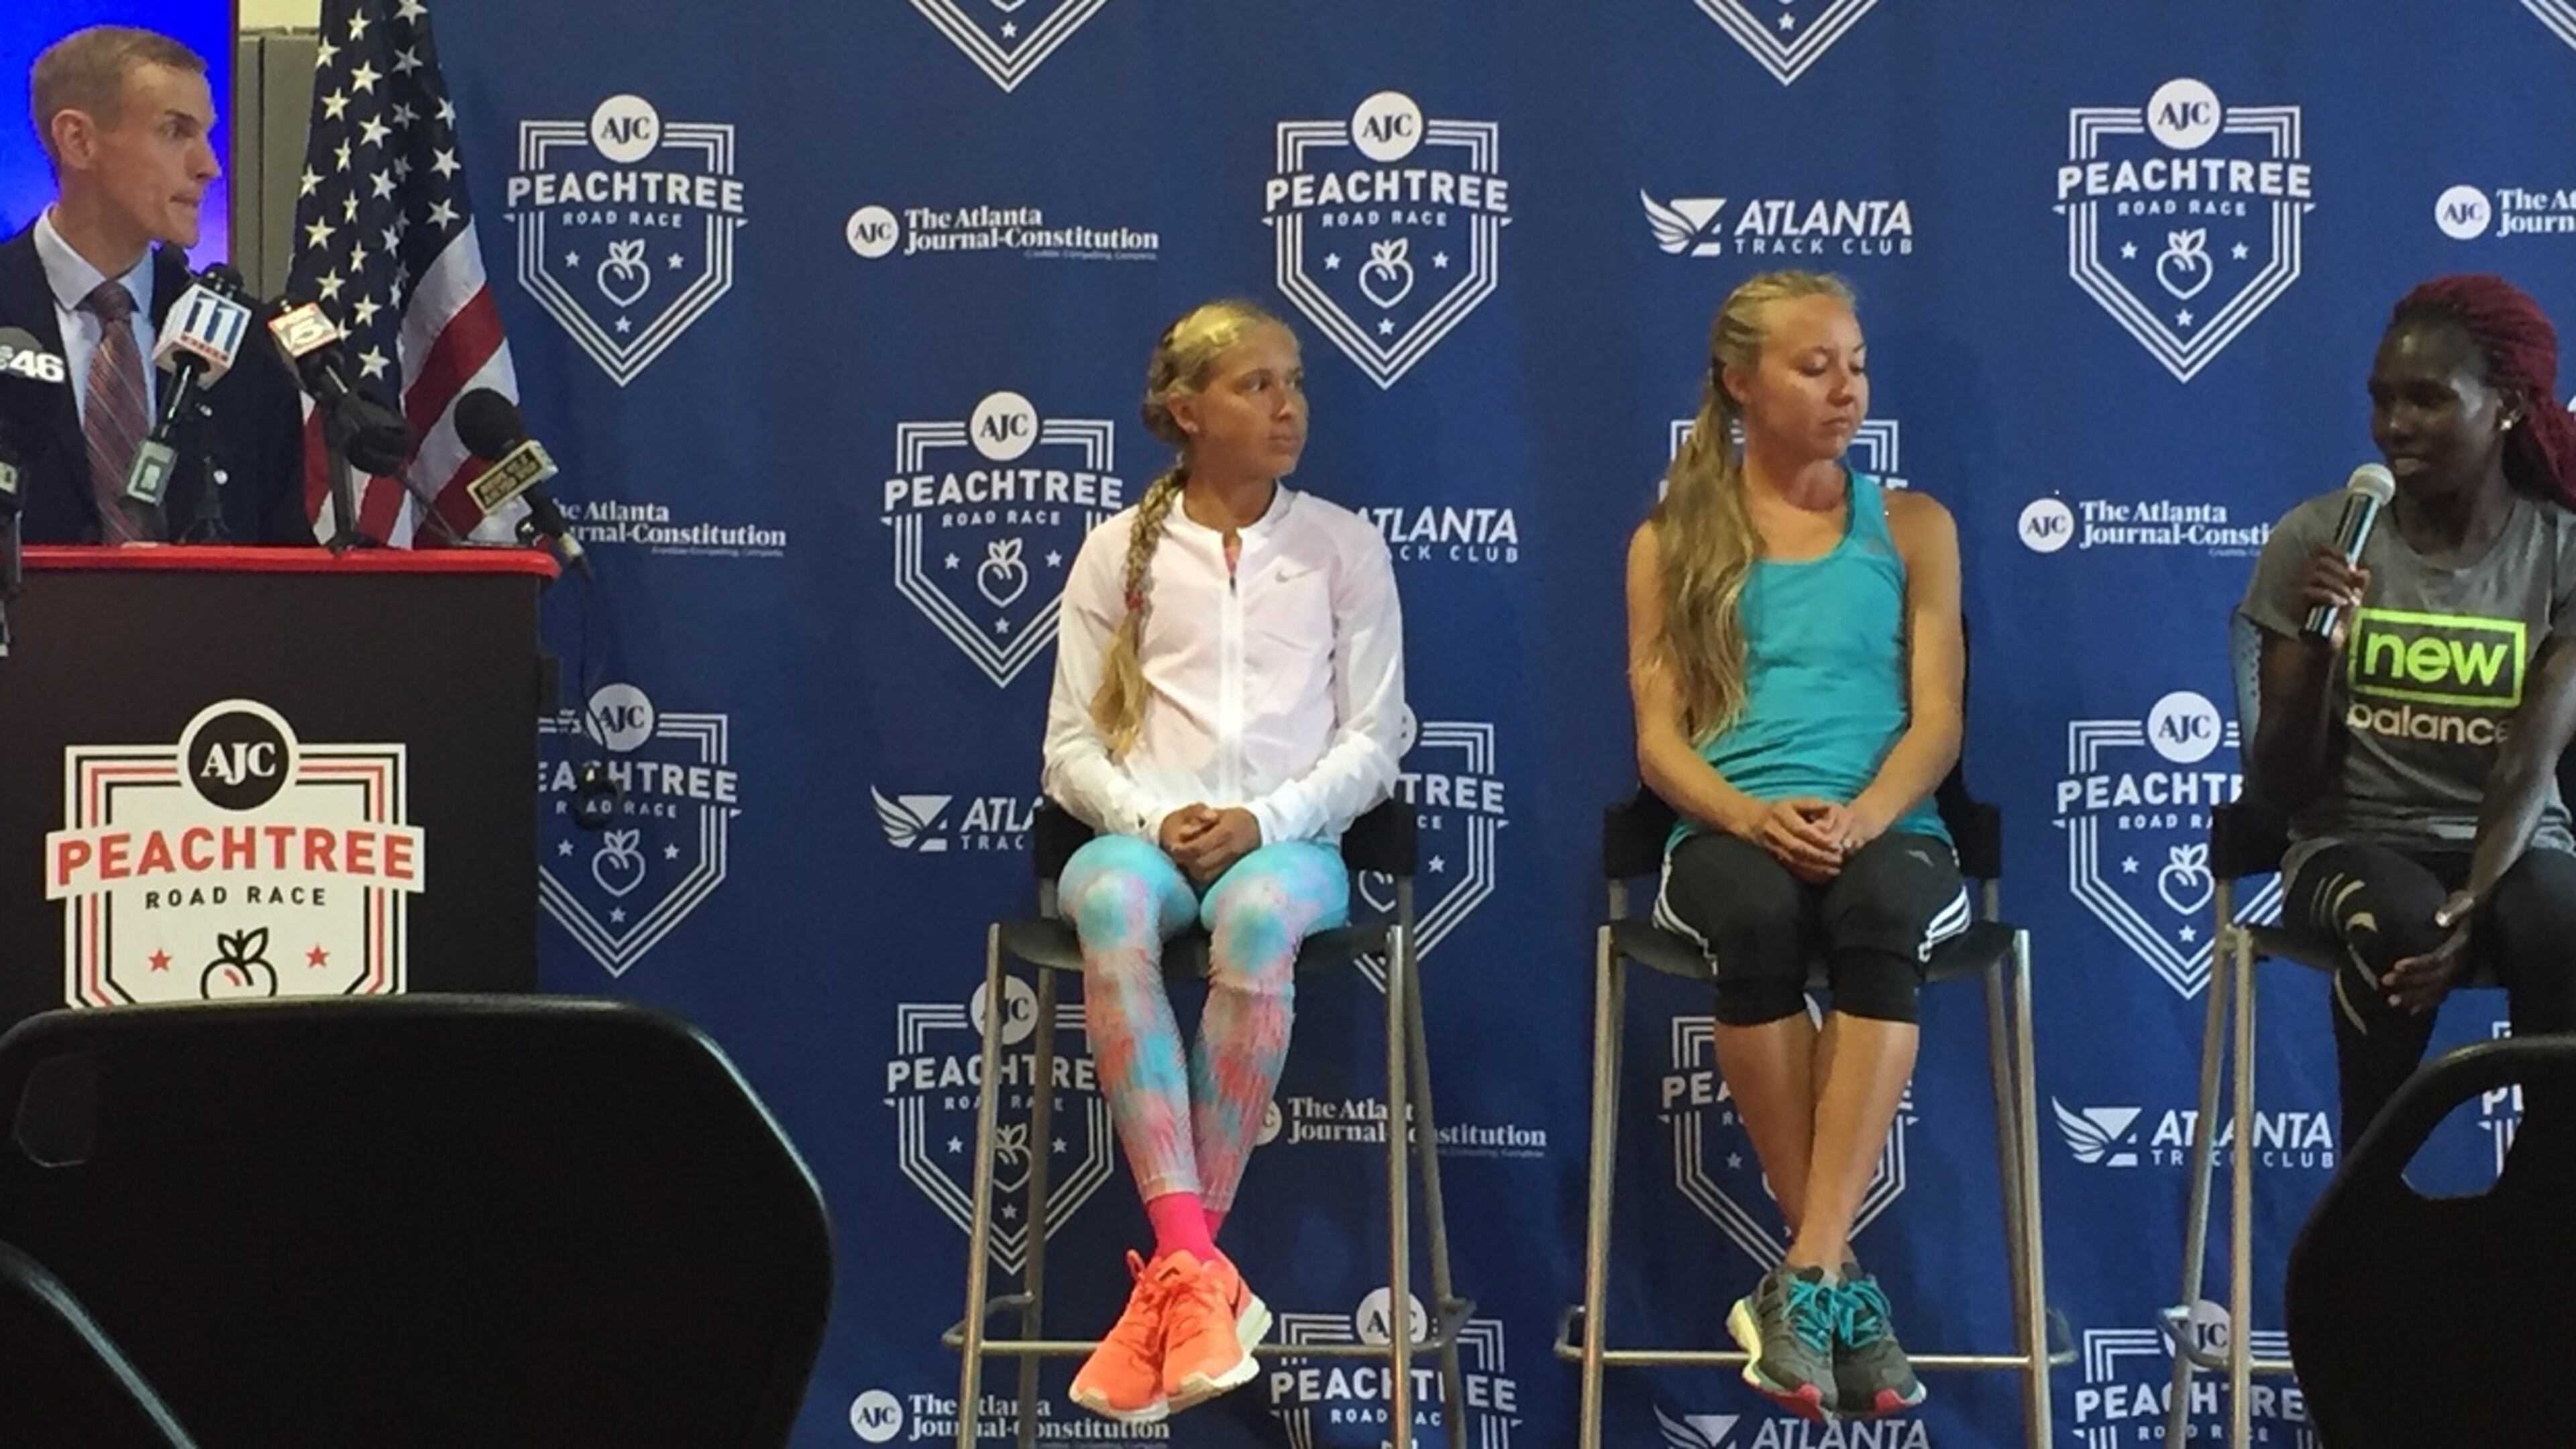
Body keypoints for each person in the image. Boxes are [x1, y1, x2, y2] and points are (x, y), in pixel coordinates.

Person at [1040, 298, 1412, 1425]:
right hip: (1147, 842)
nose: (1288, 405)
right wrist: (1158, 826)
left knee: (1254, 927)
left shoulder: (1343, 546)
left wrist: (1269, 820)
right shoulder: (1117, 550)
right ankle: (1196, 1271)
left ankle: (1176, 1276)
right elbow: (1068, 746)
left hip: (1289, 854)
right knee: (1107, 900)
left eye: (1295, 382)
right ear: (1185, 411)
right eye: (1257, 385)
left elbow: (1377, 736)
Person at [1626, 270, 1965, 1423]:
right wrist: (1748, 815)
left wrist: (1867, 815)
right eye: (1814, 367)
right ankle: (1840, 1294)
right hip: (1731, 829)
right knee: (1758, 920)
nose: (1845, 388)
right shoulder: (1670, 540)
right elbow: (1661, 742)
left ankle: (1808, 1272)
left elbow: (1937, 720)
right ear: (1739, 383)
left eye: (1856, 364)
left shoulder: (1913, 525)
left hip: (1888, 825)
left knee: (1879, 916)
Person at [2242, 274, 2576, 1173]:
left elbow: (2531, 759)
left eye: (2428, 399)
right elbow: (2283, 786)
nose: (2394, 427)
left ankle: (2545, 1210)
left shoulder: (2560, 549)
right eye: (2383, 401)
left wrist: (2475, 894)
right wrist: (2317, 653)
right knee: (2404, 922)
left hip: (2507, 836)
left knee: (2561, 919)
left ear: (2505, 407)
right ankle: (2371, 1209)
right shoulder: (2320, 539)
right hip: (2351, 842)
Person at [0, 26, 307, 545]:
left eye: (206, 135)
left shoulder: (243, 342)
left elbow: (279, 565)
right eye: (175, 132)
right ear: (78, 140)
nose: (208, 166)